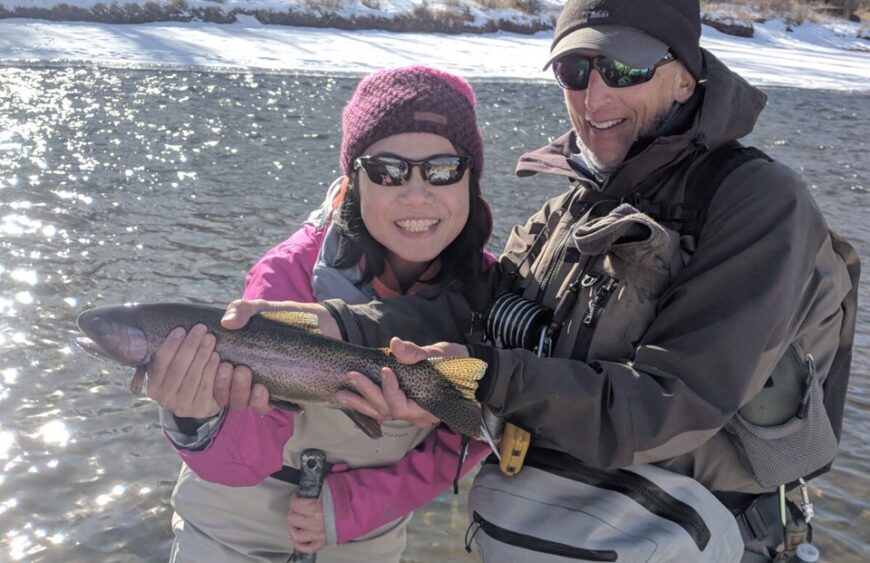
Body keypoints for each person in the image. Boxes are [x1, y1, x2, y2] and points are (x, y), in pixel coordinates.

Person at [221, 1, 858, 562]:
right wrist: (342, 324)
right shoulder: (566, 211)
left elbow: (671, 404)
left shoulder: (759, 203)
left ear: (686, 77)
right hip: (550, 527)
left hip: (693, 534)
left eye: (625, 68)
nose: (595, 97)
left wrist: (479, 379)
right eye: (575, 70)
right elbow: (474, 308)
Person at [145, 65, 495, 562]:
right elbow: (241, 463)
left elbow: (469, 437)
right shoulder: (285, 278)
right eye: (387, 170)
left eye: (442, 169)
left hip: (366, 535)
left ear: (470, 180)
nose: (416, 193)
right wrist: (194, 418)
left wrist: (352, 506)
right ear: (354, 182)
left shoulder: (495, 291)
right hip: (230, 536)